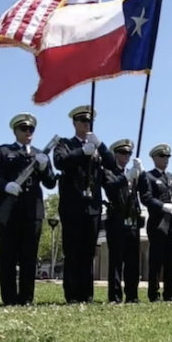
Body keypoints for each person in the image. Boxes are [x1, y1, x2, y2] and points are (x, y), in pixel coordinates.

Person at [0, 112, 57, 306]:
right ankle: (9, 299)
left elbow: (50, 183)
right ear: (15, 131)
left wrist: (44, 167)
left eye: (31, 129)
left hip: (32, 212)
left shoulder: (39, 154)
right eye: (23, 129)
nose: (27, 132)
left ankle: (26, 299)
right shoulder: (2, 151)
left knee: (29, 257)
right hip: (9, 212)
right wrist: (5, 185)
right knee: (8, 256)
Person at [53, 105, 116, 303]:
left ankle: (87, 295)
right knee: (73, 251)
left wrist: (100, 145)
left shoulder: (97, 146)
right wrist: (82, 151)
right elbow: (60, 162)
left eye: (89, 122)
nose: (86, 124)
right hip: (72, 205)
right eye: (82, 121)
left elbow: (112, 164)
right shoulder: (65, 143)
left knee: (89, 252)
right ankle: (72, 294)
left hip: (93, 207)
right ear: (74, 123)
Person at [137, 143, 172, 302]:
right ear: (154, 158)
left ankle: (169, 294)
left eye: (167, 157)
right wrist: (162, 206)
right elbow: (146, 198)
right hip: (158, 223)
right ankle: (153, 294)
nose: (165, 159)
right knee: (156, 260)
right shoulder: (148, 177)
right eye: (162, 156)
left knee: (171, 260)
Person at [101, 139, 144, 303]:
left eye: (129, 153)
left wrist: (141, 173)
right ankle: (115, 296)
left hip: (132, 220)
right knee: (116, 261)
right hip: (116, 219)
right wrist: (127, 176)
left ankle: (132, 295)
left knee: (133, 260)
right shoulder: (109, 172)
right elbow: (110, 188)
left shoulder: (133, 173)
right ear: (115, 154)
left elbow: (143, 192)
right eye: (123, 153)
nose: (126, 156)